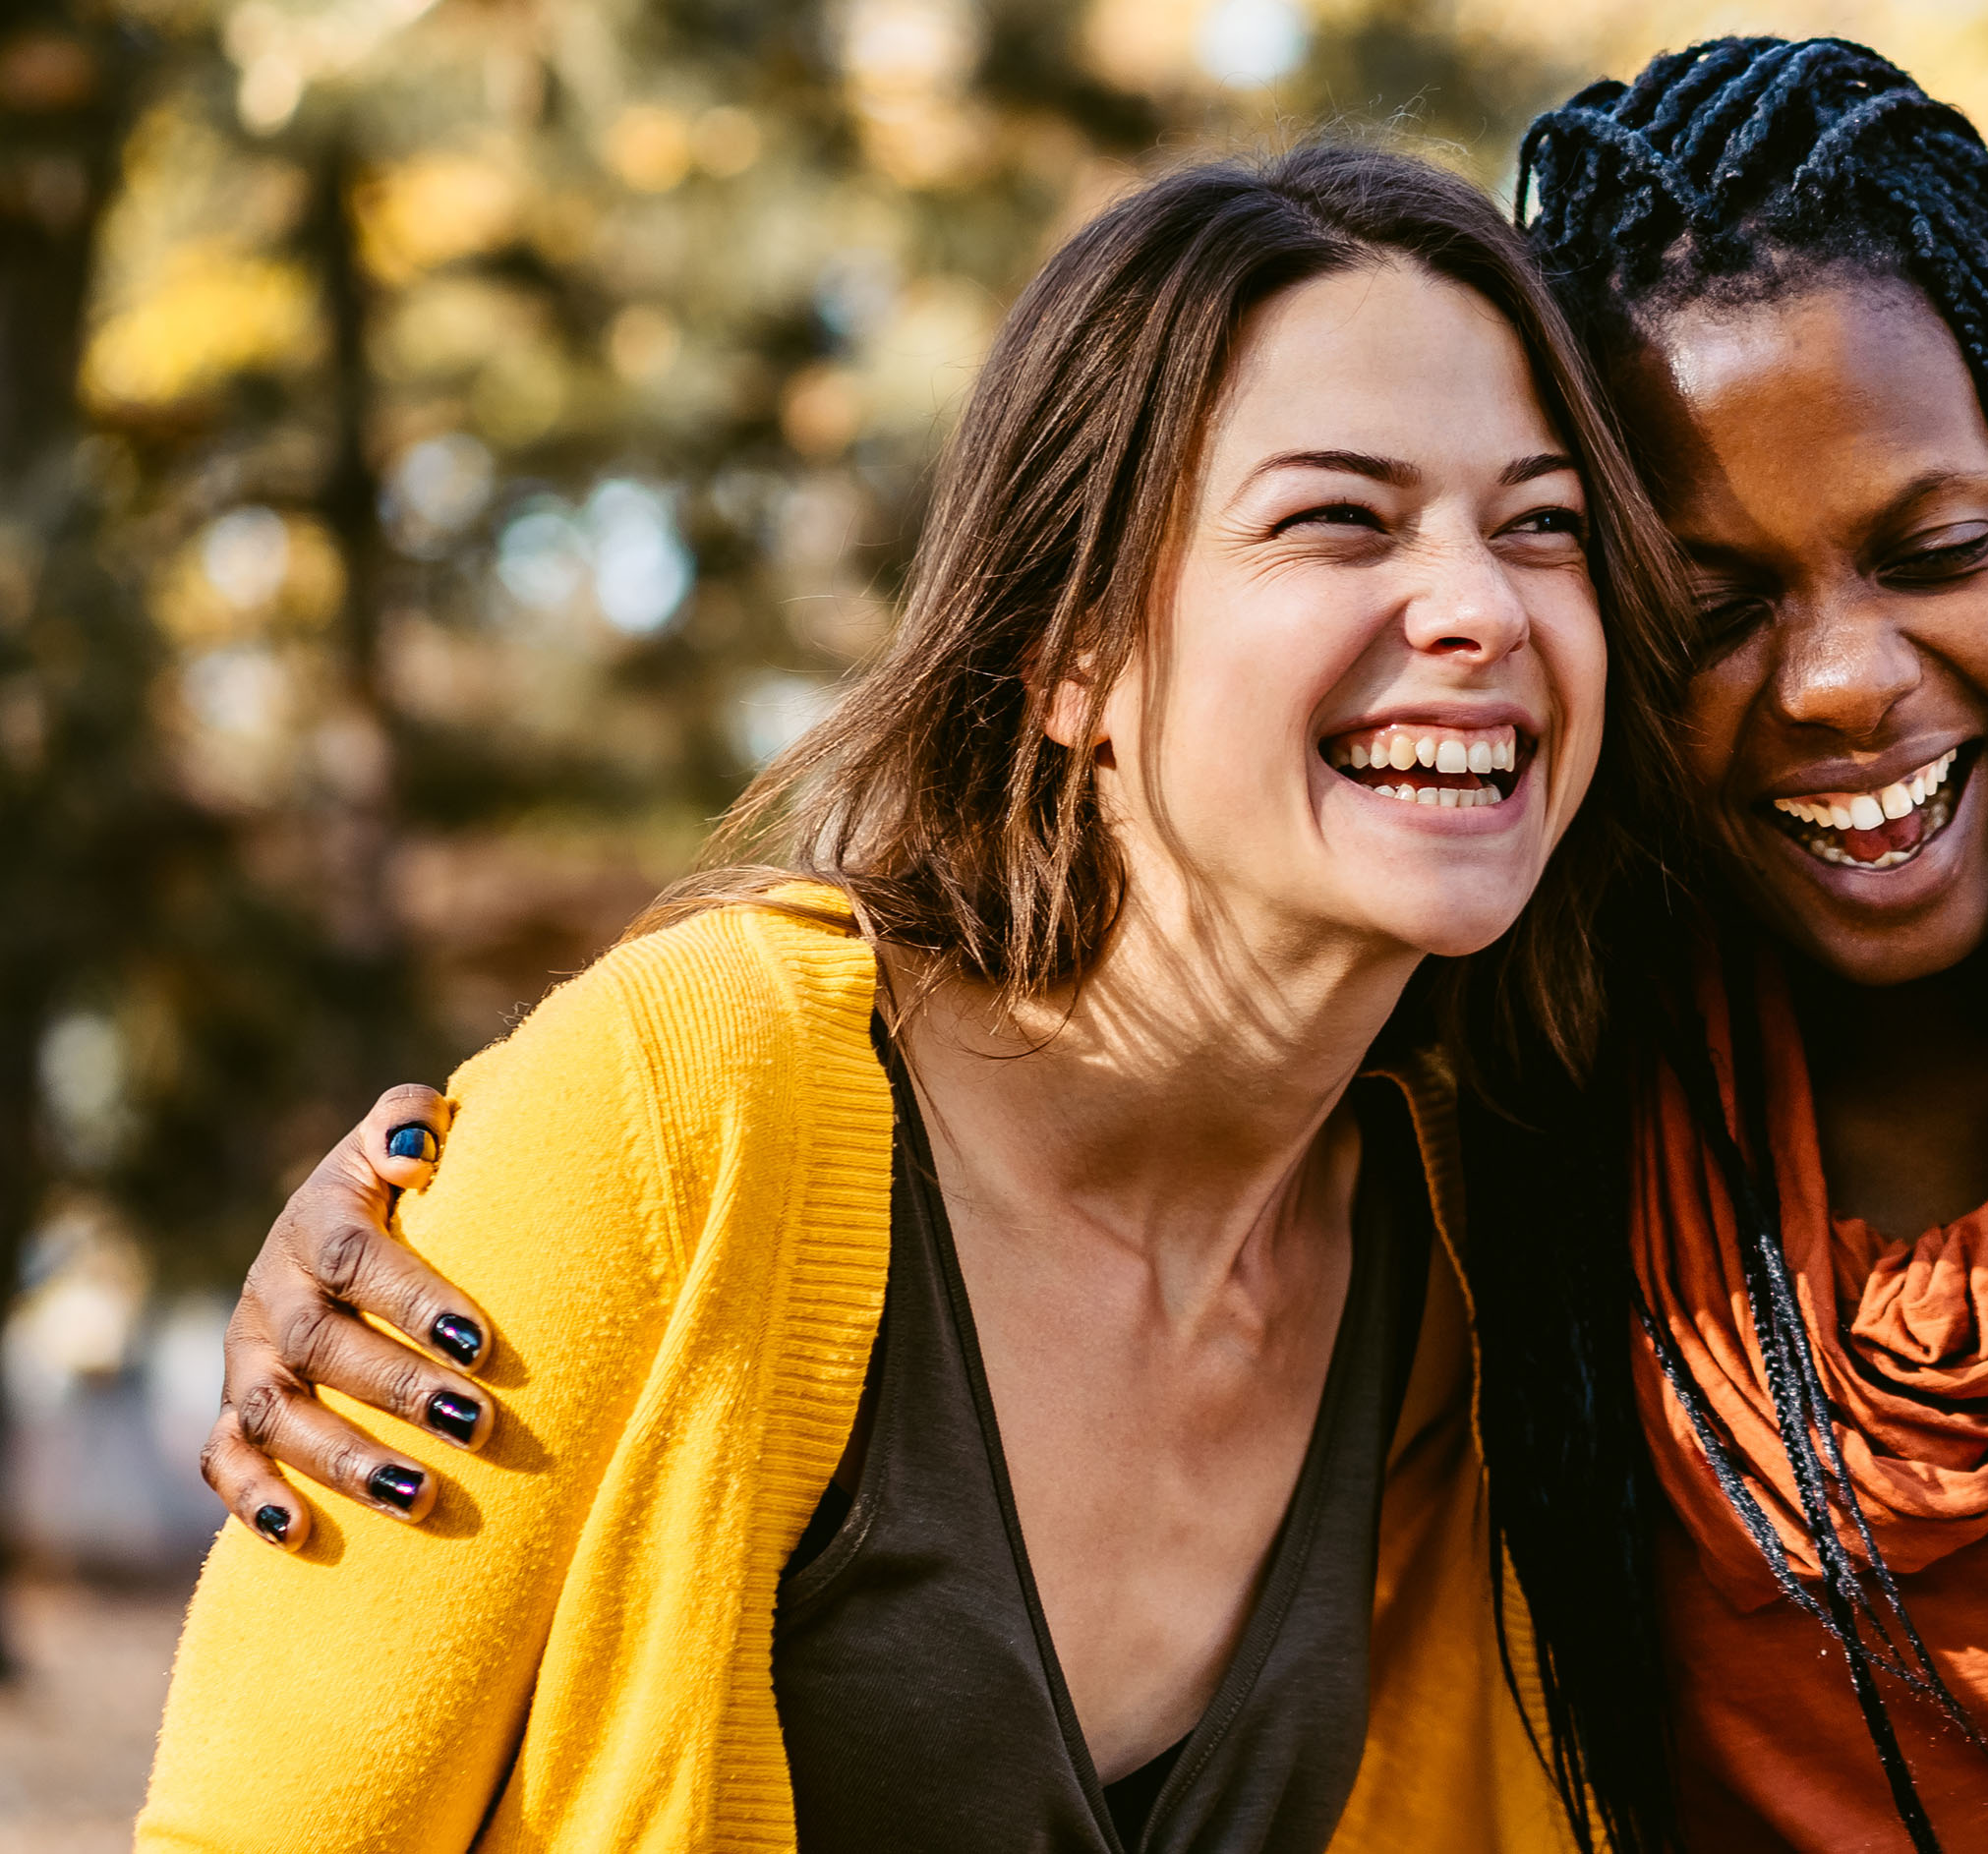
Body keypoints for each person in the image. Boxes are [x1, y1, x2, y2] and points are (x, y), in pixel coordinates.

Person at [190, 41, 1988, 1854]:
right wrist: (439, 1199)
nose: (1840, 678)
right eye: (1695, 590)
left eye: (1934, 555)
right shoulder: (1532, 1094)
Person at [139, 142, 1696, 1854]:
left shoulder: (1468, 1267)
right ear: (1068, 655)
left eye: (1540, 525)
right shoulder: (682, 1108)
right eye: (1339, 516)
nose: (1481, 606)